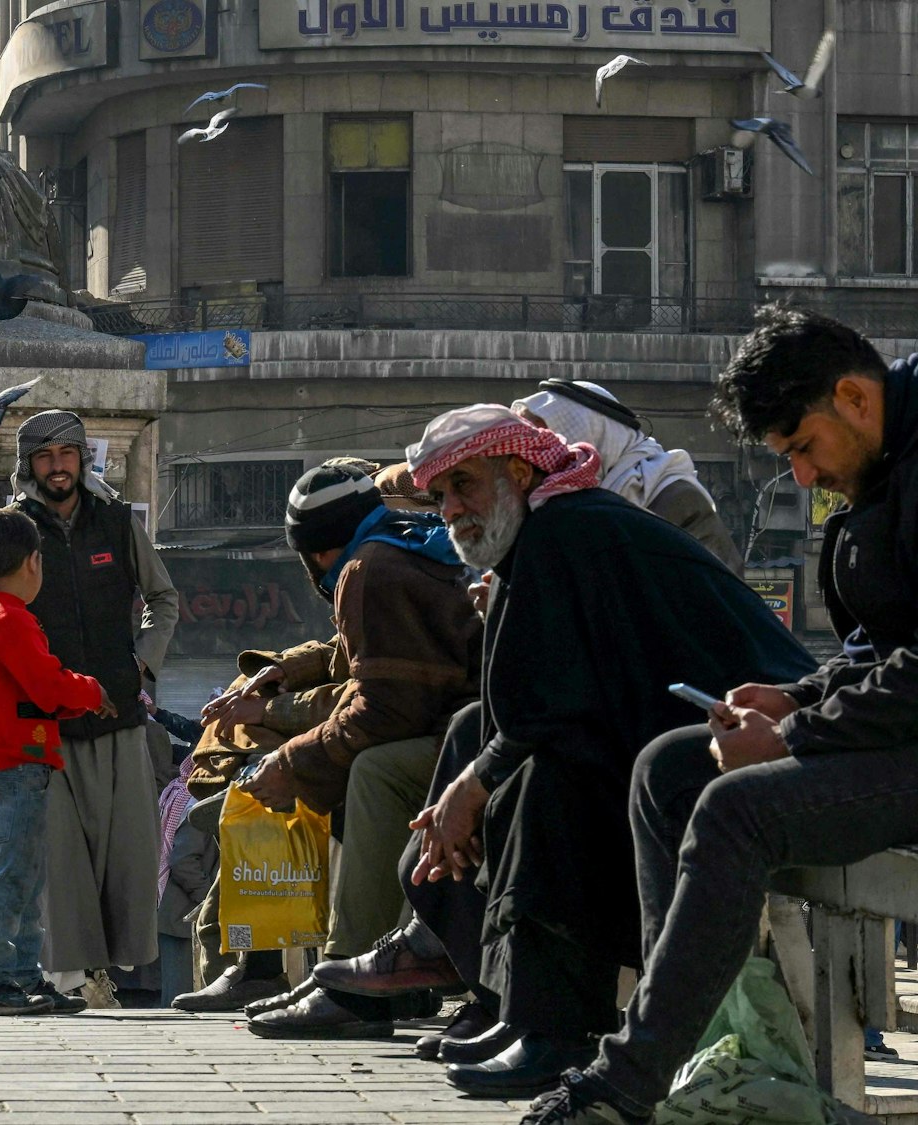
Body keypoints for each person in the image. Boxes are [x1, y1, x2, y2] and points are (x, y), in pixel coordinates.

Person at [326, 405, 812, 1100]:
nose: (453, 509)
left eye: (465, 485)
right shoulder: (538, 536)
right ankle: (512, 1003)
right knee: (477, 739)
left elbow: (555, 705)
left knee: (547, 780)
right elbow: (520, 698)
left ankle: (557, 1028)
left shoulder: (566, 527)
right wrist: (468, 784)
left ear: (518, 472)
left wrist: (472, 788)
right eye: (441, 496)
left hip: (734, 735)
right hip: (647, 724)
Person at [526, 310, 918, 1124]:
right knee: (669, 766)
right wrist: (794, 697)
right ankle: (702, 1051)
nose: (804, 478)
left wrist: (796, 733)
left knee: (736, 809)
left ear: (853, 396)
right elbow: (878, 648)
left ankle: (627, 1079)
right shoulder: (881, 472)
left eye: (804, 448)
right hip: (895, 734)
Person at [201, 461, 481, 1039]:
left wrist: (289, 760)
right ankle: (350, 968)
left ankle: (351, 979)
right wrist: (289, 671)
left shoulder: (367, 570)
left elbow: (380, 707)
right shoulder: (400, 544)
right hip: (468, 727)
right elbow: (366, 660)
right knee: (352, 768)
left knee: (375, 770)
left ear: (314, 553)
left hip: (475, 738)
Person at [0, 410, 178, 1007]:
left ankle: (117, 975)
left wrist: (140, 666)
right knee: (62, 867)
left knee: (127, 856)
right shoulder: (11, 530)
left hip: (119, 717)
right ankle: (74, 980)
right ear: (30, 466)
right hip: (46, 730)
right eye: (44, 456)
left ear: (82, 458)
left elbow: (162, 599)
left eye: (66, 453)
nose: (57, 465)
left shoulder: (118, 522)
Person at [0, 508, 115, 1016]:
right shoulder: (12, 620)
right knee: (12, 877)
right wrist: (91, 691)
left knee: (25, 878)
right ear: (33, 562)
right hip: (19, 763)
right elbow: (48, 688)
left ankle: (24, 977)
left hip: (10, 761)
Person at [511, 379, 742, 572]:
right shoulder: (541, 507)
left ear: (591, 439)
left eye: (546, 446)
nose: (537, 461)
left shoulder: (676, 500)